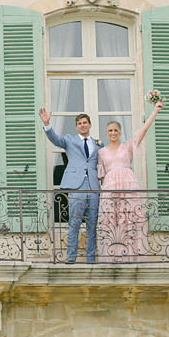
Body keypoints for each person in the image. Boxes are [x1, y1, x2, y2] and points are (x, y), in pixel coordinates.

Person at [96, 99, 163, 261]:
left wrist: (155, 110)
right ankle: (114, 255)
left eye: (115, 130)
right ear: (107, 133)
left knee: (131, 219)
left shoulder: (127, 146)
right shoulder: (102, 152)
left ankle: (132, 254)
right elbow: (101, 175)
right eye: (110, 130)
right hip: (111, 185)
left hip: (128, 183)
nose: (112, 133)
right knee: (113, 220)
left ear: (120, 132)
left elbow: (143, 130)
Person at [40, 108, 101, 263]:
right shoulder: (70, 140)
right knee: (74, 221)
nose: (82, 125)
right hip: (76, 186)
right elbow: (55, 139)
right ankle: (71, 256)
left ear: (90, 125)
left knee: (92, 223)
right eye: (79, 123)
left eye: (85, 123)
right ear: (76, 127)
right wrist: (47, 124)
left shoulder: (98, 143)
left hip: (93, 186)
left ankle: (91, 258)